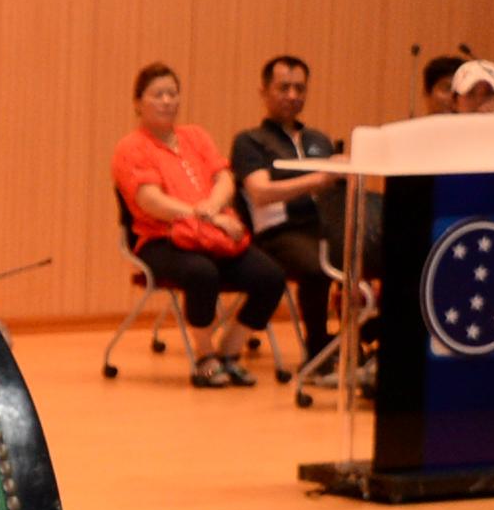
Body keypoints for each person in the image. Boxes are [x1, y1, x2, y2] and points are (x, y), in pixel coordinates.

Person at [110, 62, 282, 385]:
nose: (167, 101)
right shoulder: (130, 148)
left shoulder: (196, 136)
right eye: (157, 95)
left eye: (172, 94)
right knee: (202, 273)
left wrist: (216, 207)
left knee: (270, 276)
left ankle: (229, 351)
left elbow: (224, 179)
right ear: (138, 103)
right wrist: (208, 215)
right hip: (160, 239)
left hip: (212, 235)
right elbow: (151, 202)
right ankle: (204, 356)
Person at [228, 56, 342, 365]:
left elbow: (334, 189)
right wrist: (318, 179)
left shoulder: (318, 139)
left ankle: (360, 339)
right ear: (264, 91)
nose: (293, 95)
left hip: (326, 227)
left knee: (368, 256)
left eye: (299, 88)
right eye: (284, 88)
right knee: (319, 265)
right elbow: (260, 193)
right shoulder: (250, 141)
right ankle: (318, 348)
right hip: (278, 233)